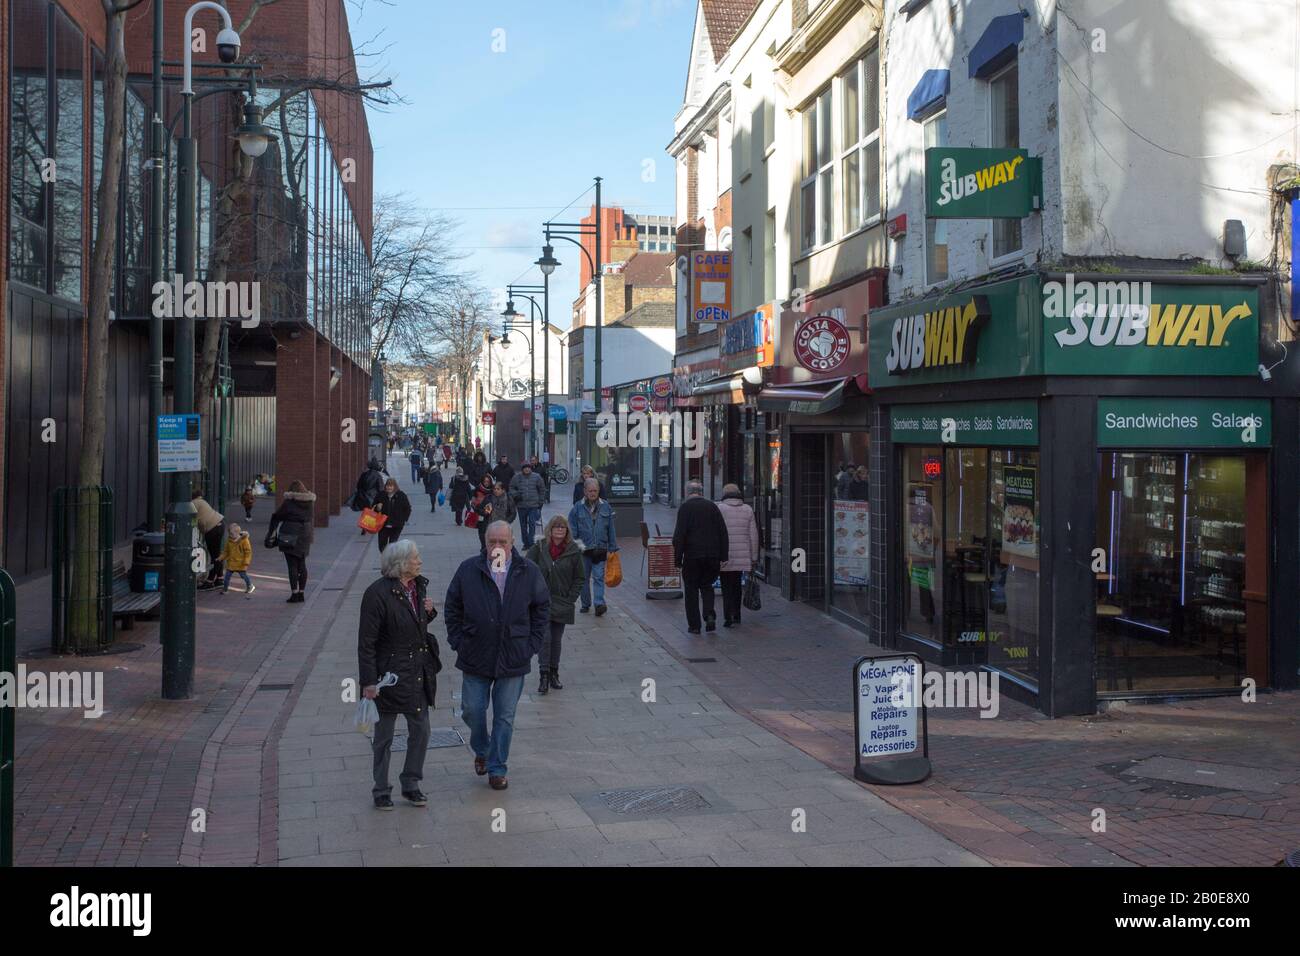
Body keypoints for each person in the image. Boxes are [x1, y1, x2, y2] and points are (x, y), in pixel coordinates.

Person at [444, 520, 549, 790]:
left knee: (504, 716)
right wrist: (458, 640)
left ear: (512, 542)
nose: (498, 546)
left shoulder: (528, 571)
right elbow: (452, 606)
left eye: (503, 541)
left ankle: (497, 767)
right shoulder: (469, 570)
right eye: (493, 542)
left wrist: (531, 645)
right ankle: (482, 748)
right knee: (473, 709)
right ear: (485, 543)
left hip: (513, 655)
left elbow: (541, 608)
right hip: (476, 653)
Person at [358, 539, 440, 810]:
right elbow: (366, 642)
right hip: (387, 676)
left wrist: (430, 613)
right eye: (415, 557)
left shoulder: (418, 585)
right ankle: (381, 788)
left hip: (417, 670)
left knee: (422, 730)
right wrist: (369, 682)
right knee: (384, 736)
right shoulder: (377, 593)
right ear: (401, 563)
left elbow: (416, 625)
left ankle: (411, 782)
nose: (420, 561)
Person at [524, 515, 584, 696]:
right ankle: (543, 675)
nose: (559, 530)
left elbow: (580, 577)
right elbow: (526, 570)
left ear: (567, 531)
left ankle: (553, 673)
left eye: (563, 527)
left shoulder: (574, 551)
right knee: (545, 638)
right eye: (556, 527)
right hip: (542, 602)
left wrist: (571, 597)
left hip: (562, 602)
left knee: (556, 640)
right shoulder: (539, 548)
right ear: (550, 529)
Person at [672, 480, 729, 634]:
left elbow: (679, 536)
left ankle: (695, 626)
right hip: (712, 556)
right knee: (707, 586)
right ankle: (709, 614)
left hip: (692, 556)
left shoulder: (685, 508)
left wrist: (677, 559)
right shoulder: (712, 507)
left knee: (691, 591)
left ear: (687, 492)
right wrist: (724, 556)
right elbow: (722, 532)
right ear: (701, 492)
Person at [567, 478, 618, 617]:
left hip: (600, 548)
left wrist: (613, 547)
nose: (593, 493)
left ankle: (599, 603)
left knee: (598, 577)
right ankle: (585, 603)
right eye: (590, 491)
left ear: (598, 491)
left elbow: (611, 529)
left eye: (595, 491)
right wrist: (575, 546)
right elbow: (572, 528)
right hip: (584, 549)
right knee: (583, 578)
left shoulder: (606, 506)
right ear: (585, 491)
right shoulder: (577, 507)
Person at [718, 483, 760, 627]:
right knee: (736, 585)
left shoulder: (720, 508)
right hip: (742, 555)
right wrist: (754, 557)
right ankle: (737, 614)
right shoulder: (747, 509)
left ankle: (727, 617)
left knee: (726, 586)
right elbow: (753, 535)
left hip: (725, 555)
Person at [269, 480, 315, 603]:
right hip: (305, 534)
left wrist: (270, 535)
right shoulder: (310, 502)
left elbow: (277, 516)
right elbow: (310, 518)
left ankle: (294, 593)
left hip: (290, 534)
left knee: (292, 565)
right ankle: (302, 593)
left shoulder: (289, 502)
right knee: (302, 563)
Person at [192, 489, 225, 588]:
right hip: (219, 524)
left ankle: (210, 581)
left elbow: (190, 520)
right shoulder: (201, 501)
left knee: (215, 555)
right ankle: (220, 578)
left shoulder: (193, 503)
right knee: (216, 554)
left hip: (212, 528)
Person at [509, 461, 546, 549]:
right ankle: (525, 543)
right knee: (523, 525)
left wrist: (540, 501)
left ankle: (531, 542)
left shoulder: (537, 477)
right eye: (525, 468)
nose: (527, 469)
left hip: (533, 505)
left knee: (532, 523)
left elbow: (542, 489)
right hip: (521, 505)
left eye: (528, 467)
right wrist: (516, 494)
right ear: (522, 469)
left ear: (530, 468)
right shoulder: (517, 477)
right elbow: (511, 487)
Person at [373, 477, 412, 553]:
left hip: (396, 526)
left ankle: (390, 561)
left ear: (395, 487)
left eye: (391, 486)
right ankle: (385, 557)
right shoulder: (381, 495)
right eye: (387, 485)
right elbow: (373, 507)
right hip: (383, 525)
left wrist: (403, 519)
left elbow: (408, 508)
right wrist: (377, 508)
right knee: (381, 546)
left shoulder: (401, 495)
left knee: (392, 545)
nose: (389, 487)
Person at [476, 480, 516, 552]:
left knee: (501, 545)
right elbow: (480, 509)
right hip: (489, 525)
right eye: (494, 489)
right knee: (488, 545)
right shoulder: (488, 498)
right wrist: (485, 512)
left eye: (498, 489)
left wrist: (507, 522)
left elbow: (513, 513)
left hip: (503, 527)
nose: (496, 491)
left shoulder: (508, 499)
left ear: (503, 490)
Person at [219, 522, 256, 595]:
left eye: (232, 534)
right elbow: (226, 551)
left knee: (243, 576)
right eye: (229, 533)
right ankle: (225, 589)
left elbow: (248, 552)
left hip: (241, 563)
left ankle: (250, 586)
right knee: (227, 577)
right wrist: (221, 558)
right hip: (231, 563)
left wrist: (246, 562)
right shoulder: (229, 541)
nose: (230, 535)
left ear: (238, 533)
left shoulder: (244, 541)